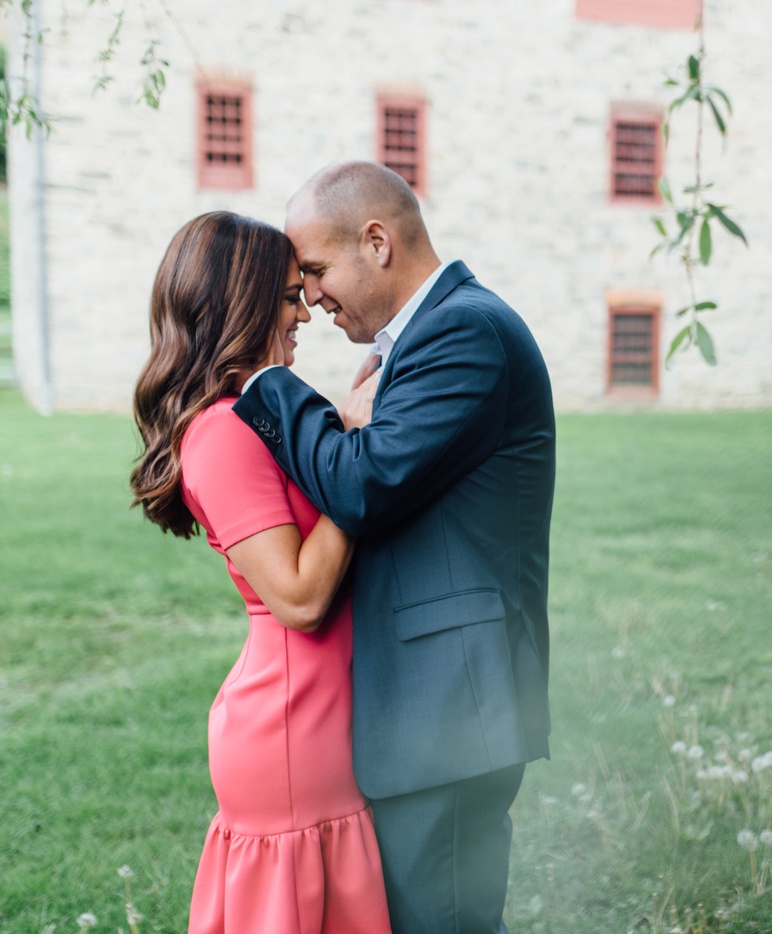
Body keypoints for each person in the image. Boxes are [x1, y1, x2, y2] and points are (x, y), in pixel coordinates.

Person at [234, 160, 555, 934]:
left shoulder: (462, 331)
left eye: (314, 269)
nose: (309, 295)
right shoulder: (425, 340)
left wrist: (268, 387)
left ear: (376, 241)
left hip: (447, 710)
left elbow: (362, 486)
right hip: (434, 710)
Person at [129, 211, 393, 933]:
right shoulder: (218, 435)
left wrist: (338, 436)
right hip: (289, 731)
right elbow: (301, 599)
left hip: (319, 720)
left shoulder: (254, 419)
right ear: (237, 304)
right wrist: (359, 461)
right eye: (285, 296)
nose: (303, 310)